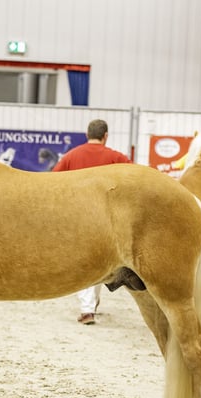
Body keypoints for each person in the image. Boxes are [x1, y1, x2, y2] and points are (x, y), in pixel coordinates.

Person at [52, 119, 131, 325]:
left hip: (78, 218)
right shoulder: (117, 157)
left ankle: (87, 309)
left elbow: (52, 183)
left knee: (87, 263)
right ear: (106, 136)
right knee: (99, 262)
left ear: (87, 135)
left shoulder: (71, 156)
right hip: (109, 219)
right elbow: (135, 180)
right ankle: (91, 305)